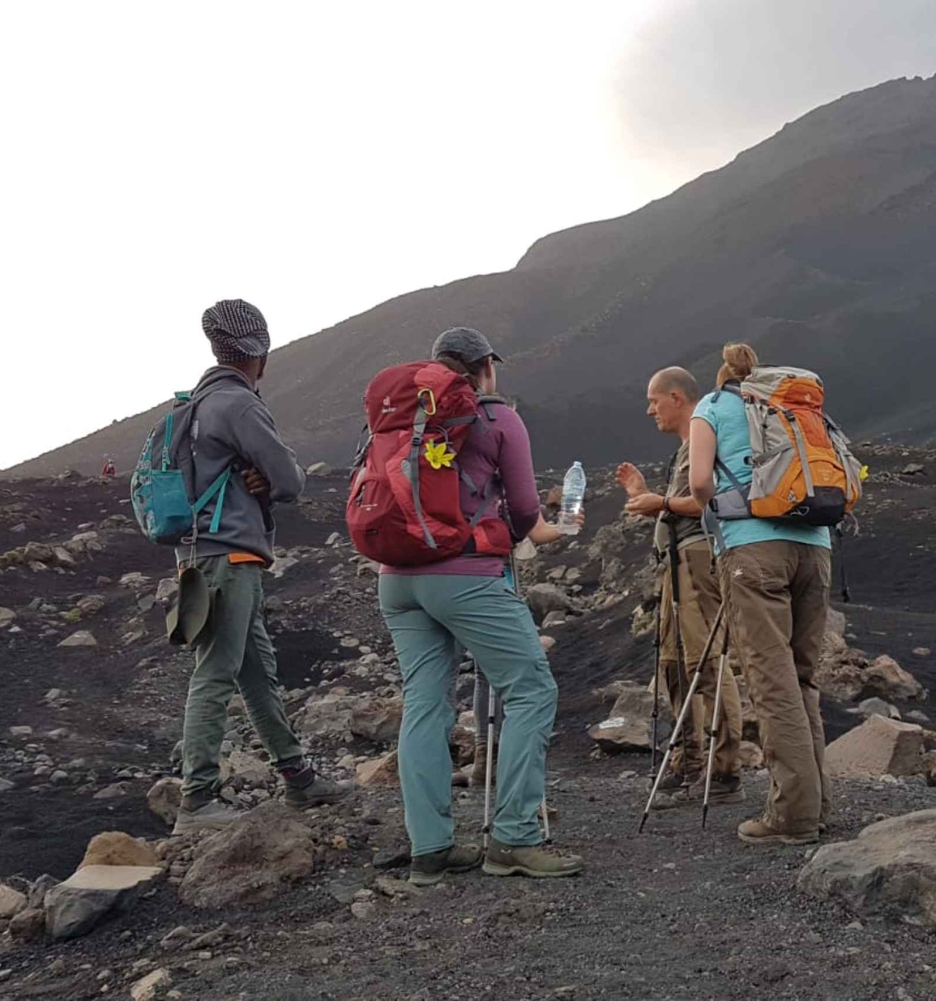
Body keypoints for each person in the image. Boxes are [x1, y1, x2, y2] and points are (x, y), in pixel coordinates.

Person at [376, 326, 584, 884]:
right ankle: (514, 838)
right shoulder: (497, 418)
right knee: (531, 688)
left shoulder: (400, 420)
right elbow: (524, 517)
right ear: (485, 367)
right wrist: (559, 529)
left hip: (396, 578)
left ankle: (431, 847)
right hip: (464, 576)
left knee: (424, 703)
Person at [173, 299, 348, 834]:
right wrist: (273, 476)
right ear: (261, 354)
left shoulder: (188, 408)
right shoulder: (238, 404)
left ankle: (298, 778)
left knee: (255, 672)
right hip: (230, 557)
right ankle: (196, 801)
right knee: (218, 672)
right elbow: (291, 480)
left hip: (200, 556)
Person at [688, 343, 831, 845]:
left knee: (772, 682)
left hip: (752, 550)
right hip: (816, 548)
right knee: (803, 677)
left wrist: (714, 507)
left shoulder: (711, 407)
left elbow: (700, 479)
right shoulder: (787, 406)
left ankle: (793, 815)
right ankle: (818, 802)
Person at [616, 367, 743, 809]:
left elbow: (705, 501)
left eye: (654, 400)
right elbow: (680, 507)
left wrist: (661, 502)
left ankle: (723, 770)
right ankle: (690, 761)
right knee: (675, 663)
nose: (650, 409)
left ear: (675, 397)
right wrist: (646, 496)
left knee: (705, 661)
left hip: (696, 562)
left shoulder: (703, 439)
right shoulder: (687, 447)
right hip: (675, 563)